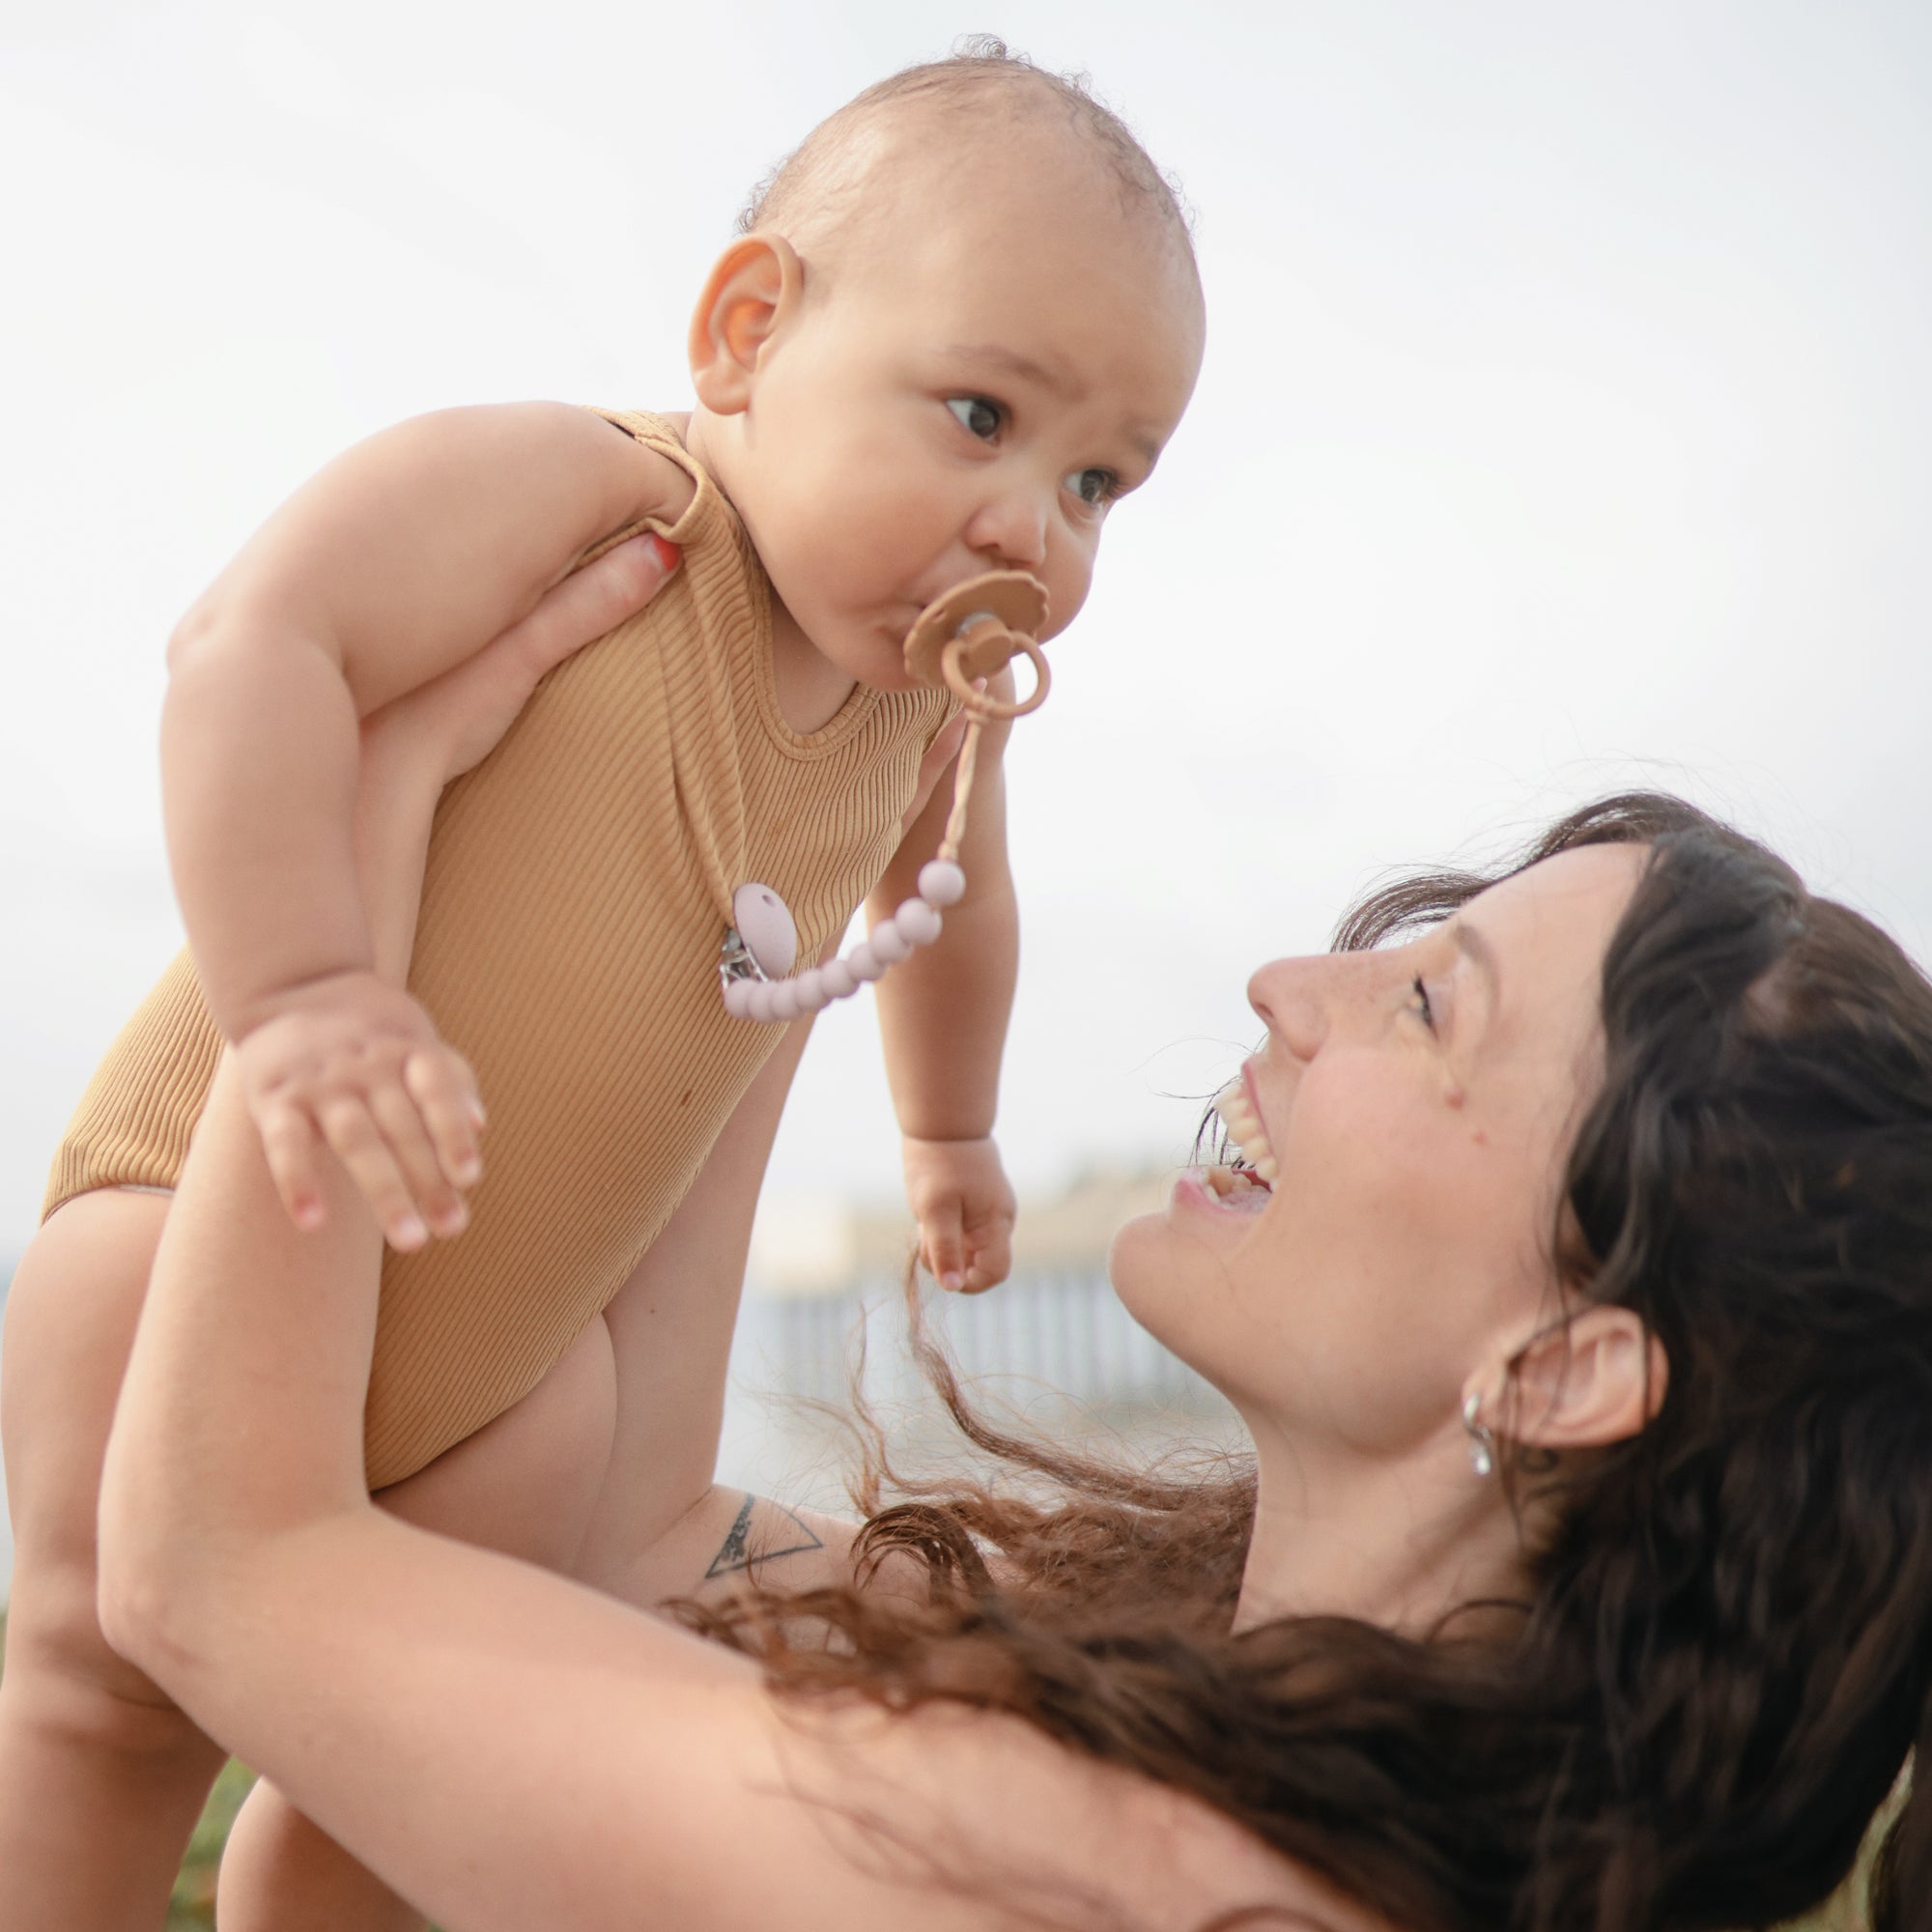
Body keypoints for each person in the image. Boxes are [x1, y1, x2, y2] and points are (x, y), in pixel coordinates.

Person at [93, 597, 1932, 1930]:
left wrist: (373, 818)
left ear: (1562, 1371)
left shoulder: (1094, 1873)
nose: (1294, 994)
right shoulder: (1221, 1719)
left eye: (1431, 1004)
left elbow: (211, 1570)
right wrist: (818, 887)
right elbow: (639, 1536)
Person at [0, 43, 1207, 1929]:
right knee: (103, 1706)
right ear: (747, 333)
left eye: (1098, 485)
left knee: (428, 1749)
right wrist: (309, 983)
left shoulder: (923, 721)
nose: (1033, 533)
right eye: (979, 415)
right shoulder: (600, 505)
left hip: (505, 1372)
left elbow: (961, 902)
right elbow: (261, 640)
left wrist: (945, 1126)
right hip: (209, 1227)